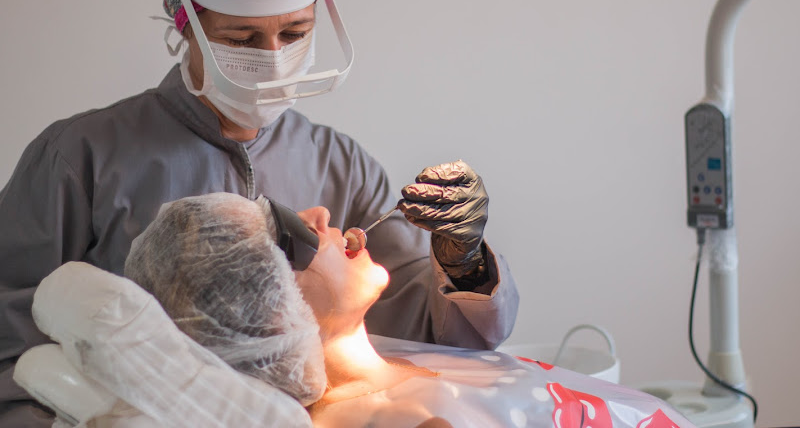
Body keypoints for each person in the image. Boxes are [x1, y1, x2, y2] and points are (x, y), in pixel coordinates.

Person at [0, 0, 519, 426]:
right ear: (188, 25)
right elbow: (8, 352)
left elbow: (439, 333)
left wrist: (463, 266)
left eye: (295, 33)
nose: (273, 61)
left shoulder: (341, 165)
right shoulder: (80, 160)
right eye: (243, 39)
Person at [110, 192, 689, 428]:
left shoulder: (392, 358)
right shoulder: (405, 422)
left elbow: (460, 318)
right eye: (291, 235)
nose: (317, 212)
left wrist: (461, 250)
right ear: (267, 314)